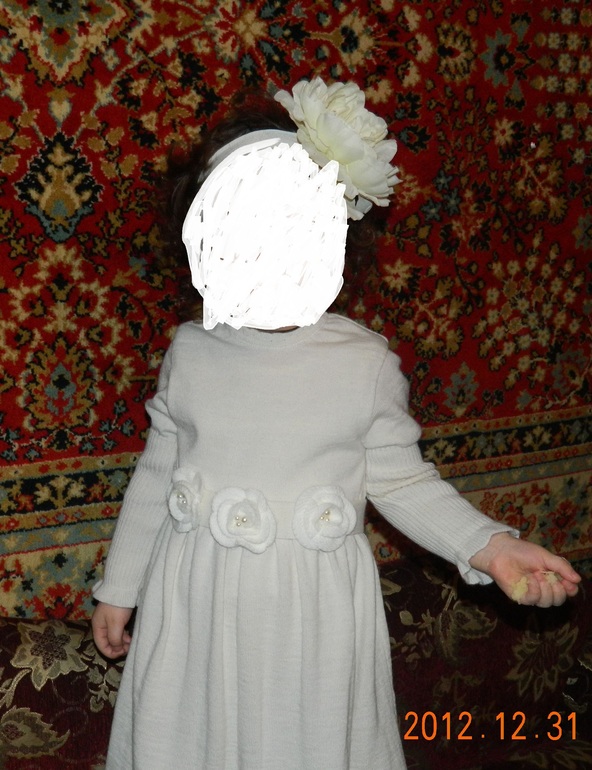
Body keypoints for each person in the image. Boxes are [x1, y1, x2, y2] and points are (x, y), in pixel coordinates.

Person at [92, 77, 581, 770]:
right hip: (192, 603)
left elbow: (403, 481)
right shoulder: (191, 352)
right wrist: (119, 589)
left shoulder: (363, 364)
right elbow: (156, 473)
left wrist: (489, 547)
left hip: (310, 619)